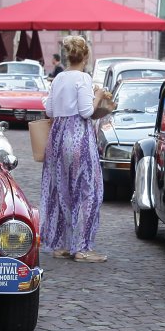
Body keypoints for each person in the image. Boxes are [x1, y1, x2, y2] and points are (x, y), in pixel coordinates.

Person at [40, 35, 107, 262]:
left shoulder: (59, 77)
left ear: (68, 56)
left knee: (61, 190)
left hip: (57, 137)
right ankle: (83, 248)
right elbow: (86, 112)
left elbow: (49, 110)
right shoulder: (83, 78)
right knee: (88, 191)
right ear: (85, 57)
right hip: (78, 137)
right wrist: (98, 96)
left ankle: (62, 245)